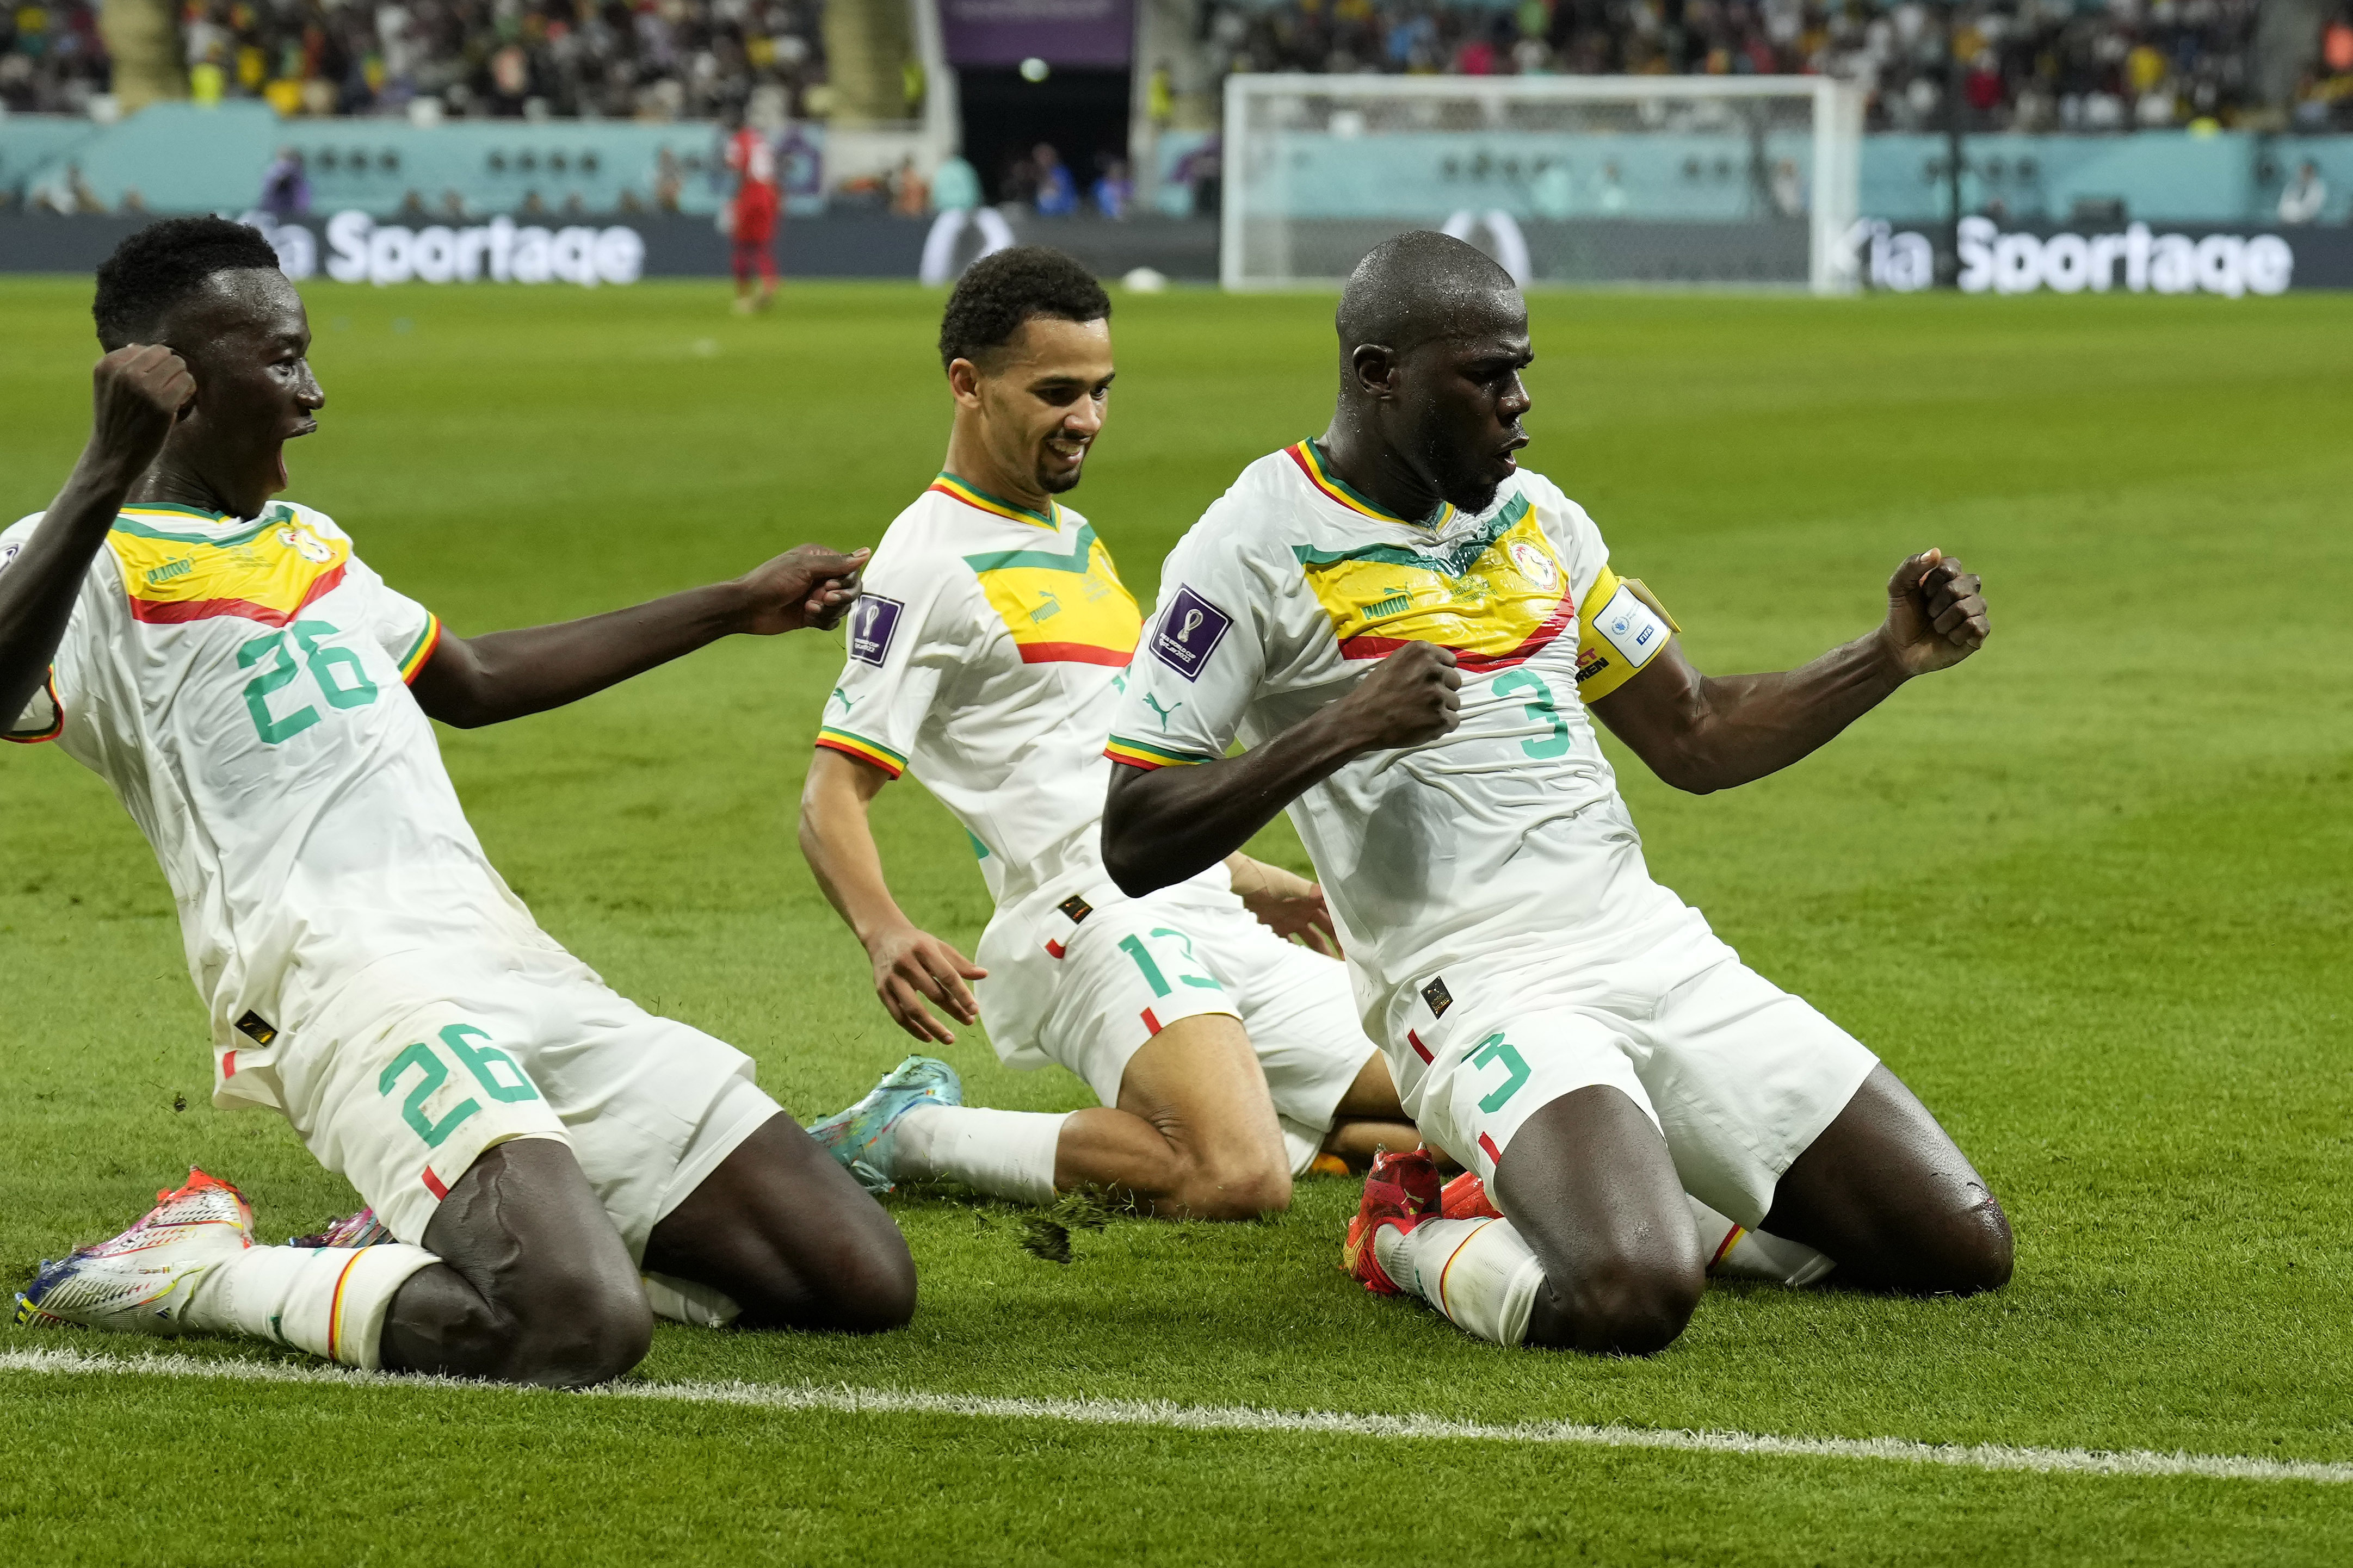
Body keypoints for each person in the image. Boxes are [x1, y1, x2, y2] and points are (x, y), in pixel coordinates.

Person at [2, 218, 909, 1386]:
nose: (313, 392)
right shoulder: (77, 559)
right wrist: (102, 468)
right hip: (343, 985)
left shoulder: (308, 543)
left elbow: (471, 680)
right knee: (577, 1327)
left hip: (506, 958)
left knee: (856, 1277)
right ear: (171, 383)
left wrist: (734, 603)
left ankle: (429, 1230)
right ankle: (195, 1271)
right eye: (282, 360)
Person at [1099, 231, 2012, 1356]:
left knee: (1959, 1245)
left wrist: (1886, 656)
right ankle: (1406, 1227)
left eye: (1520, 370)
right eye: (1485, 376)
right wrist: (1342, 726)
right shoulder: (1250, 544)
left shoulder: (1540, 518)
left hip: (1644, 945)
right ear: (1379, 374)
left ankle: (1641, 1187)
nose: (1518, 402)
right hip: (1475, 988)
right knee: (1631, 1293)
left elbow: (1694, 731)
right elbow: (1133, 833)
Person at [798, 247, 1419, 1219]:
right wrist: (885, 930)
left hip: (1196, 904)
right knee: (1234, 1178)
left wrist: (1253, 879)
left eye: (1099, 390)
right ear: (967, 384)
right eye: (1057, 392)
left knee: (1445, 1091)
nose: (1086, 418)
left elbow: (1086, 754)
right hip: (1090, 916)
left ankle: (1287, 1123)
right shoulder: (925, 563)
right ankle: (911, 1133)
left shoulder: (1075, 541)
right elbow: (830, 793)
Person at [722, 114, 781, 313]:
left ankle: (744, 296)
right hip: (769, 193)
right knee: (762, 246)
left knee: (741, 245)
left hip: (751, 193)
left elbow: (738, 164)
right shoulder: (761, 140)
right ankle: (768, 283)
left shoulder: (739, 140)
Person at [2277, 159, 2327, 225]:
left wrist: (2296, 215)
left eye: (2307, 171)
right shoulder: (2293, 185)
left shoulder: (2318, 187)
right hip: (2287, 223)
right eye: (2302, 171)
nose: (2304, 174)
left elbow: (2311, 210)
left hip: (2309, 225)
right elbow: (2282, 207)